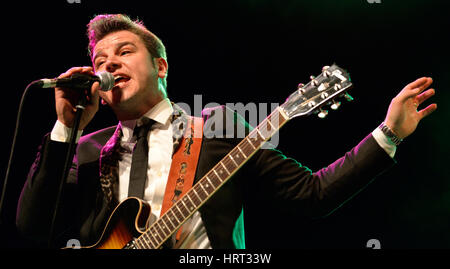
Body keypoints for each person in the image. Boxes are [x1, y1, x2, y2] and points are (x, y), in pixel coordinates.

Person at [16, 14, 437, 249]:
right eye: (100, 60)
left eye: (124, 52)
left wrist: (389, 133)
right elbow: (32, 226)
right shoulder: (86, 150)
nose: (108, 65)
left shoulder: (214, 126)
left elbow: (313, 195)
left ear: (161, 67)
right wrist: (63, 128)